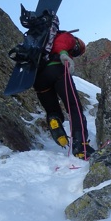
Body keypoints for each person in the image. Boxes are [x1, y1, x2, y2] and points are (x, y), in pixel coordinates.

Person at [34, 27, 95, 160]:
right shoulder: (68, 37)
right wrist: (63, 54)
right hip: (57, 70)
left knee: (53, 111)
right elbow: (63, 43)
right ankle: (81, 146)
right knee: (74, 108)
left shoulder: (42, 44)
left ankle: (55, 120)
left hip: (38, 79)